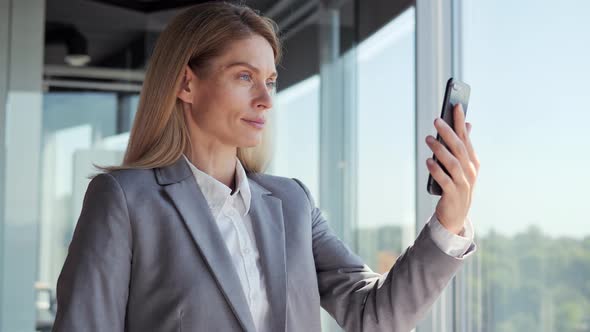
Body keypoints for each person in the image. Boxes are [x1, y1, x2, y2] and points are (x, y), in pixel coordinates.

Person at [52, 2, 480, 332]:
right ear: (186, 84)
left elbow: (374, 315)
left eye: (270, 81)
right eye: (244, 77)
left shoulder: (292, 202)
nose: (265, 99)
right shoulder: (125, 199)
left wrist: (450, 219)